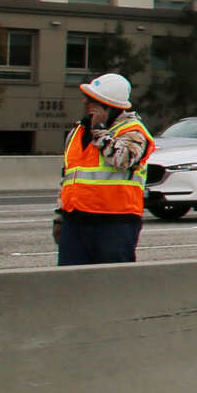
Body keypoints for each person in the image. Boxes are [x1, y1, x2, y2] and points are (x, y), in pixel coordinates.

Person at [56, 73, 154, 265]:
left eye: (92, 100)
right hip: (75, 221)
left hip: (115, 223)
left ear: (107, 107)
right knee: (69, 285)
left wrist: (100, 132)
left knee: (112, 285)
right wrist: (59, 217)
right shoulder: (78, 132)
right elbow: (67, 178)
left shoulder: (133, 132)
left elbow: (123, 159)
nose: (85, 102)